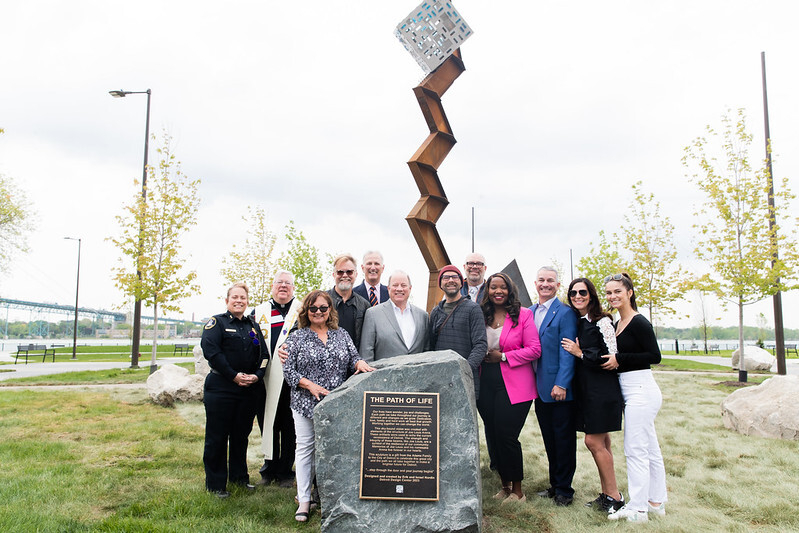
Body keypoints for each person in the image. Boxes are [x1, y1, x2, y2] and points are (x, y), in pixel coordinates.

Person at [282, 290, 375, 522]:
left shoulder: (341, 334)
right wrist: (309, 385)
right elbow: (288, 371)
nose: (318, 312)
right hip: (305, 403)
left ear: (330, 310)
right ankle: (304, 499)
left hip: (336, 404)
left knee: (337, 449)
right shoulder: (296, 337)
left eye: (323, 308)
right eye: (313, 309)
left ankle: (332, 496)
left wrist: (360, 362)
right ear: (306, 311)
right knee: (305, 449)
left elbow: (354, 357)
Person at [602, 273, 667, 523]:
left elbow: (654, 355)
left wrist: (621, 359)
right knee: (650, 448)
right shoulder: (618, 322)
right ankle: (655, 502)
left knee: (635, 449)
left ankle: (638, 508)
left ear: (629, 292)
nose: (612, 296)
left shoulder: (639, 322)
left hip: (641, 390)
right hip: (629, 390)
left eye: (617, 291)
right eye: (608, 292)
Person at [561, 278, 625, 512]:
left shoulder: (602, 321)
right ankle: (608, 494)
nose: (578, 296)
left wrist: (580, 353)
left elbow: (611, 359)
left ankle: (615, 498)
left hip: (602, 391)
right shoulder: (578, 322)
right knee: (603, 442)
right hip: (585, 392)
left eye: (583, 292)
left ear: (592, 295)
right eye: (573, 293)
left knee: (593, 441)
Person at [477, 272, 541, 504]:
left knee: (507, 435)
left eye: (502, 287)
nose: (498, 291)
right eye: (493, 287)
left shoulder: (523, 315)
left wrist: (503, 356)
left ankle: (518, 491)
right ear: (488, 291)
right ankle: (504, 486)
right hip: (486, 382)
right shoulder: (482, 314)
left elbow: (535, 349)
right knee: (493, 434)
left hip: (514, 383)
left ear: (509, 289)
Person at [201, 282, 267, 498]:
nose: (239, 301)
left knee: (241, 436)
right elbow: (212, 352)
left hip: (247, 390)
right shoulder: (216, 323)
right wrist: (233, 375)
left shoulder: (252, 325)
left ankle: (239, 478)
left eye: (243, 298)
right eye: (235, 297)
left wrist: (257, 375)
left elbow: (264, 356)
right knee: (217, 437)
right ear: (227, 300)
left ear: (247, 301)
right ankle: (216, 484)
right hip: (222, 388)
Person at [531, 266, 578, 506]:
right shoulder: (529, 312)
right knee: (550, 440)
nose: (545, 284)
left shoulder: (565, 313)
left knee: (564, 441)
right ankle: (554, 484)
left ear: (557, 285)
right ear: (535, 283)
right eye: (541, 280)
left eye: (550, 280)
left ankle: (565, 491)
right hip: (539, 390)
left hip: (559, 390)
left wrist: (562, 383)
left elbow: (568, 352)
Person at [252, 270, 302, 487]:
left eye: (288, 284)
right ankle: (268, 467)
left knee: (289, 425)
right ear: (272, 287)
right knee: (267, 421)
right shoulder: (259, 312)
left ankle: (285, 470)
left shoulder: (301, 311)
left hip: (291, 380)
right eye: (279, 283)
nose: (283, 286)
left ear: (293, 288)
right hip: (266, 378)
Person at [429, 265, 487, 398]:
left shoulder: (473, 309)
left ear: (461, 282)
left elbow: (481, 345)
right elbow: (431, 347)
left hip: (465, 378)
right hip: (440, 378)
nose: (450, 280)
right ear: (440, 283)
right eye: (446, 277)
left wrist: (464, 369)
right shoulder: (435, 312)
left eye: (455, 277)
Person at [360, 270, 429, 361]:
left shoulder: (423, 316)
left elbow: (427, 351)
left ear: (410, 288)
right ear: (388, 288)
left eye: (403, 285)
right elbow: (366, 354)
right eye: (395, 285)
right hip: (383, 374)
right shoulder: (373, 314)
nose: (399, 289)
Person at [327, 253, 370, 349]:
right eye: (340, 272)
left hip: (355, 361)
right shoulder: (321, 300)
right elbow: (299, 326)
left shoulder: (364, 305)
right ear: (334, 275)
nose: (345, 275)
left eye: (349, 272)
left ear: (356, 274)